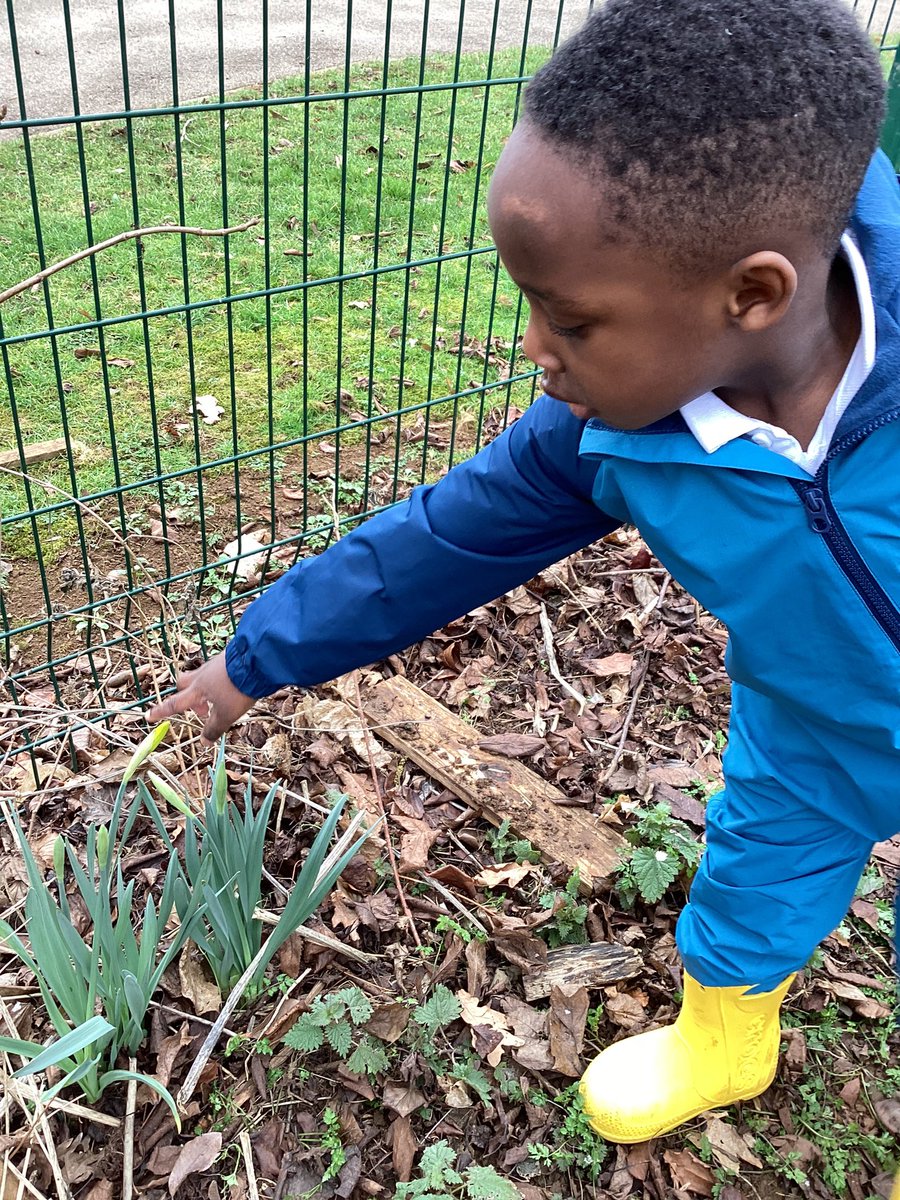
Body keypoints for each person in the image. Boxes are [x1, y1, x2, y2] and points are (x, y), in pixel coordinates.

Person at [151, 0, 900, 1150]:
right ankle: (725, 1037)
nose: (536, 350)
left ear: (751, 295)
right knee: (752, 885)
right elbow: (442, 540)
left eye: (571, 317)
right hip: (810, 726)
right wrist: (253, 660)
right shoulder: (611, 431)